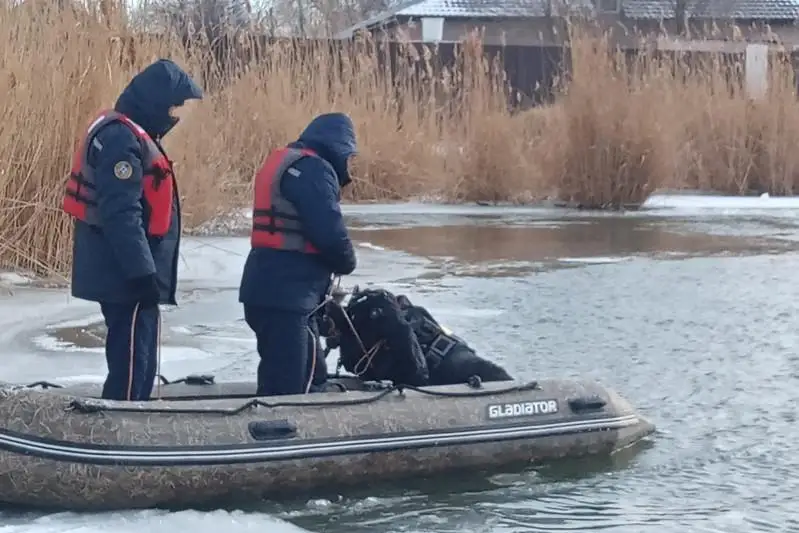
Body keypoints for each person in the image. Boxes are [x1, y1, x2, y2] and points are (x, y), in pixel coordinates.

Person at [64, 59, 203, 401]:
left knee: (140, 353)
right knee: (131, 357)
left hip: (126, 269)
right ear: (155, 101)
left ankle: (136, 412)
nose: (174, 115)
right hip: (123, 273)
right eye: (172, 106)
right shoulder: (119, 140)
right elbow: (121, 212)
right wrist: (142, 273)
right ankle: (124, 423)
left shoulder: (128, 133)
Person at [239, 112, 358, 397]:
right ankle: (277, 438)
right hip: (289, 299)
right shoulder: (314, 171)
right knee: (292, 387)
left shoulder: (288, 162)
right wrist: (347, 261)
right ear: (338, 148)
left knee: (304, 374)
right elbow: (329, 233)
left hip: (265, 291)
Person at [326, 287, 513, 386]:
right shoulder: (361, 324)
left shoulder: (368, 320)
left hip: (445, 362)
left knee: (496, 379)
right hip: (445, 357)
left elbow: (417, 375)